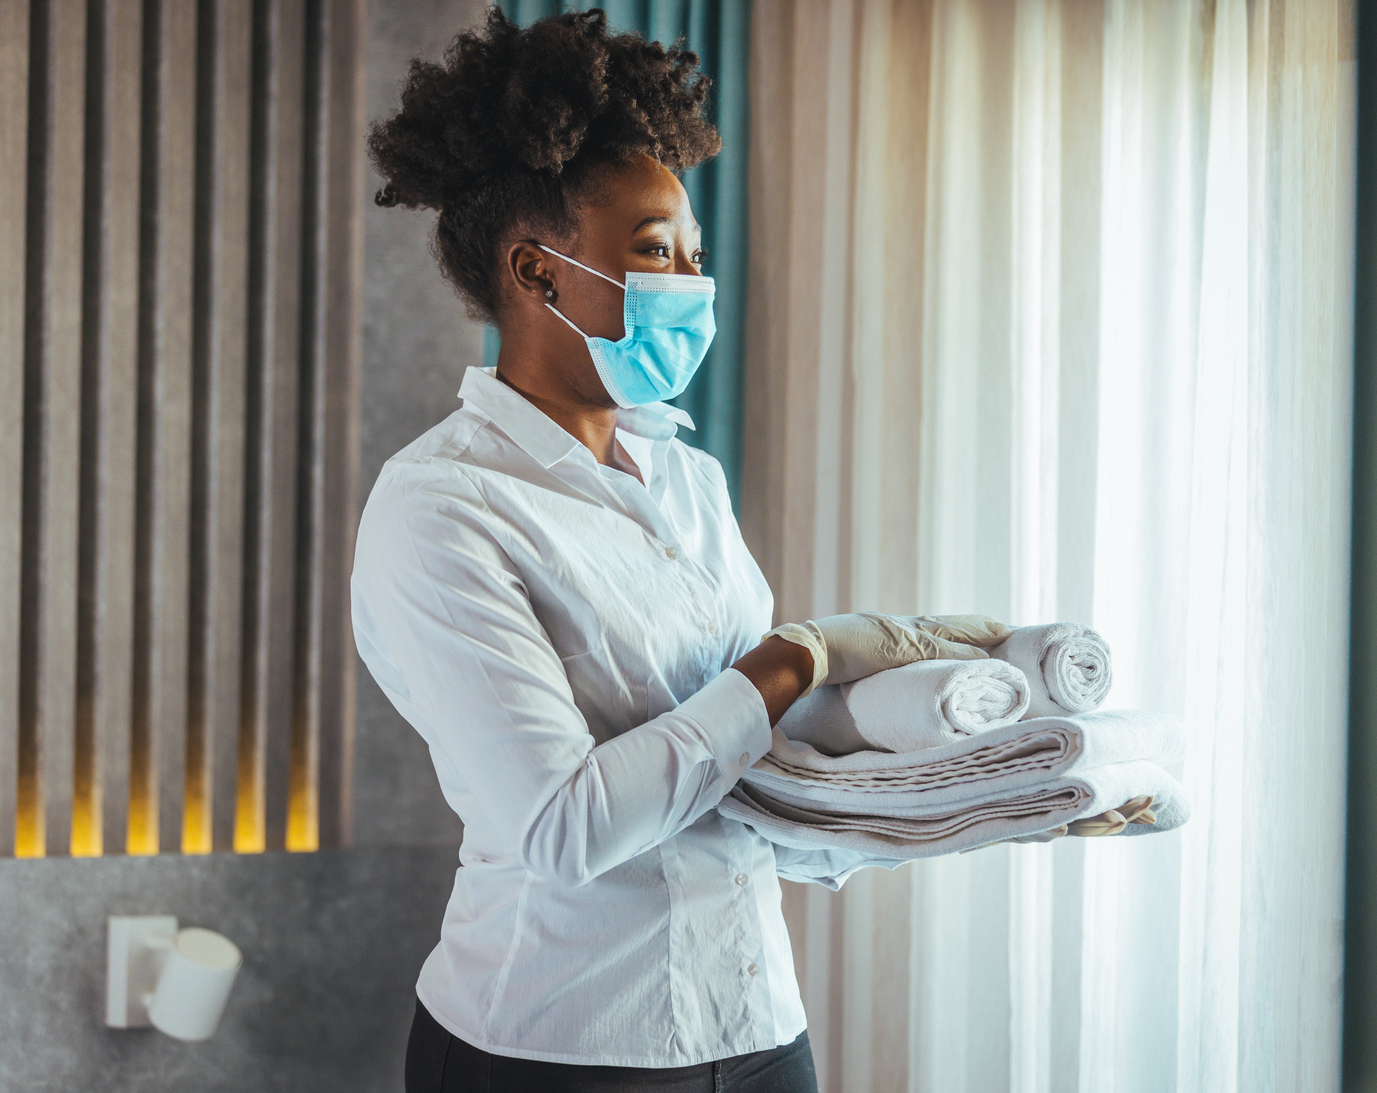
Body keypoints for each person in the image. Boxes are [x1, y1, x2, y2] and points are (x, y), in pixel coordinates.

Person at [355, 10, 1132, 1091]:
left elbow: (749, 761)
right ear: (535, 271)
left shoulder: (686, 476)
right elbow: (563, 827)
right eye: (654, 252)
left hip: (755, 1017)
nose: (689, 281)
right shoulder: (442, 508)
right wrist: (792, 657)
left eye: (693, 254)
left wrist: (963, 793)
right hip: (555, 1041)